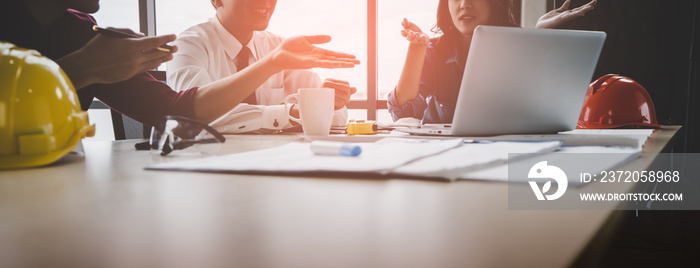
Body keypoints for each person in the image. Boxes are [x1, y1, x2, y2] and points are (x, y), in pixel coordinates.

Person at [0, 0, 359, 127]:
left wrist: (273, 63)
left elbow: (174, 110)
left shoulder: (83, 33)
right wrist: (81, 70)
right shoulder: (192, 42)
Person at [167, 0, 359, 133]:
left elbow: (336, 117)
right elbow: (194, 114)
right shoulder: (188, 46)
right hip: (204, 172)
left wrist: (329, 100)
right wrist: (292, 113)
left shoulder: (279, 47)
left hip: (274, 169)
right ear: (216, 0)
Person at [389, 0, 597, 123]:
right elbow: (404, 114)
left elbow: (547, 111)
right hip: (443, 156)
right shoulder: (435, 50)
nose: (464, 5)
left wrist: (538, 38)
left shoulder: (520, 44)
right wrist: (417, 48)